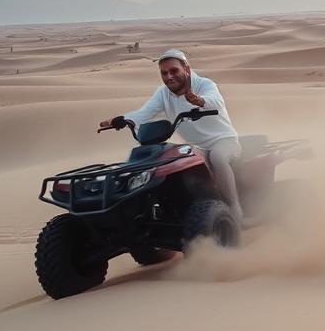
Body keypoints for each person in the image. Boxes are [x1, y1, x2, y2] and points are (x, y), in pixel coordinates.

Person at [99, 49, 245, 222]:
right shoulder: (163, 93)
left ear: (186, 69)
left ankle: (235, 209)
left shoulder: (204, 84)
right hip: (197, 147)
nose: (169, 77)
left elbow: (216, 101)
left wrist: (199, 101)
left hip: (224, 141)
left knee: (218, 157)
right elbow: (145, 113)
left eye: (174, 71)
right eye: (164, 73)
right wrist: (121, 120)